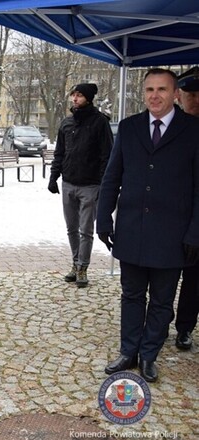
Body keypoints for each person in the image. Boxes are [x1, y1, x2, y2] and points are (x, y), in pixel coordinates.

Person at [97, 68, 199, 382]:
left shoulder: (193, 130)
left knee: (161, 300)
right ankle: (128, 350)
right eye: (150, 89)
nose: (155, 96)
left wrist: (195, 232)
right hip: (131, 229)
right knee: (131, 294)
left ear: (176, 94)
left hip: (173, 234)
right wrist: (103, 216)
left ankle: (149, 355)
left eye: (162, 89)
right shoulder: (129, 128)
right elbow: (113, 176)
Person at [48, 83, 113, 287]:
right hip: (69, 182)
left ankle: (83, 267)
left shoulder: (100, 123)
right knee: (71, 228)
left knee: (86, 229)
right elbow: (60, 152)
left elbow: (106, 156)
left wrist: (103, 184)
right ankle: (76, 263)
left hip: (90, 185)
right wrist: (54, 176)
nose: (75, 99)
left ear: (89, 98)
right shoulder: (66, 123)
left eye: (79, 95)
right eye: (73, 95)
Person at [174, 66, 199, 351]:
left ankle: (185, 328)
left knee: (194, 278)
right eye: (190, 94)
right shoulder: (172, 127)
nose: (196, 100)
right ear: (180, 96)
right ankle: (161, 318)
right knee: (164, 277)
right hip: (173, 215)